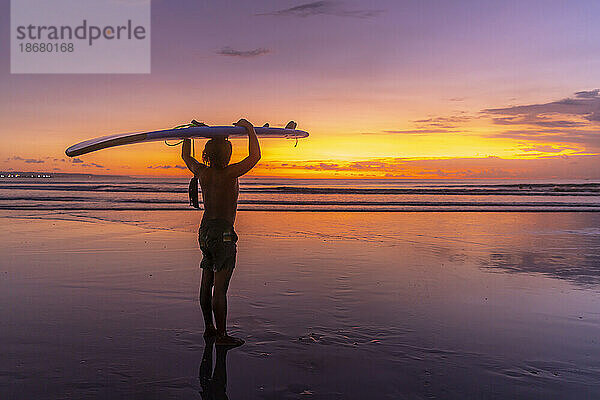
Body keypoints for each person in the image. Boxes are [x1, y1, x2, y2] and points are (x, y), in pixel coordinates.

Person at [182, 118, 261, 347]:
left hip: (204, 231)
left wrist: (190, 133)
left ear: (207, 154)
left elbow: (186, 157)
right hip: (224, 233)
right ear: (227, 155)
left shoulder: (202, 172)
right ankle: (222, 336)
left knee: (207, 281)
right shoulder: (231, 173)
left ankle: (209, 328)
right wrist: (250, 129)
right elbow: (254, 157)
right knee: (221, 287)